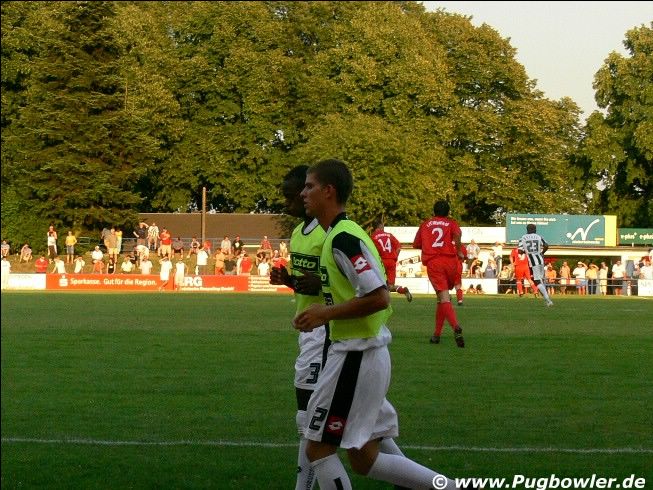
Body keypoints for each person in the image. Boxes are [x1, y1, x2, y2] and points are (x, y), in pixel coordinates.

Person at [294, 159, 460, 489]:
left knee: (318, 449)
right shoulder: (342, 235)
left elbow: (379, 297)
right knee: (364, 458)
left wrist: (325, 314)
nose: (303, 193)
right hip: (363, 353)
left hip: (355, 355)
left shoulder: (343, 238)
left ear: (329, 191)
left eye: (310, 186)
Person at [269, 165, 330, 490]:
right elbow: (307, 284)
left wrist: (319, 283)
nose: (288, 203)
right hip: (309, 328)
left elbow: (344, 283)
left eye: (290, 196)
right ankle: (419, 480)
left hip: (325, 331)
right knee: (372, 424)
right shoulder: (297, 233)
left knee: (306, 416)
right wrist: (289, 280)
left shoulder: (330, 233)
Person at [414, 200, 466, 347]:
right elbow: (457, 234)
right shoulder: (451, 223)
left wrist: (428, 245)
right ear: (448, 212)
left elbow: (416, 244)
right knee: (441, 299)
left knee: (443, 298)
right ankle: (436, 335)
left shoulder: (425, 224)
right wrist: (459, 251)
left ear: (434, 211)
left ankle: (456, 326)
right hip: (450, 262)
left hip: (434, 263)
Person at [370, 219, 412, 302]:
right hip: (391, 261)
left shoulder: (372, 237)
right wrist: (395, 258)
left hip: (381, 263)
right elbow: (398, 247)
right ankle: (403, 290)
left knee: (378, 285)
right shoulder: (389, 235)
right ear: (380, 225)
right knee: (390, 286)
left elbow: (371, 251)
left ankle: (379, 301)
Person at [518, 224, 553, 306]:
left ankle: (548, 300)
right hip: (541, 260)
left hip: (533, 262)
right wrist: (542, 252)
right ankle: (547, 300)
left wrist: (526, 251)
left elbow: (520, 251)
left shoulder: (523, 238)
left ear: (527, 229)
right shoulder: (538, 236)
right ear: (535, 230)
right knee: (539, 280)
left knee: (537, 281)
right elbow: (546, 245)